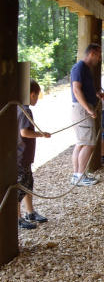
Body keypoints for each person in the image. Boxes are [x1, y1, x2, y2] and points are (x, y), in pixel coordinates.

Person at [17, 79, 51, 230]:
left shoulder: (19, 107)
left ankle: (30, 212)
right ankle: (17, 218)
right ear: (32, 94)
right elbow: (24, 132)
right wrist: (41, 134)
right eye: (37, 96)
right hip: (20, 156)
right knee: (19, 187)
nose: (37, 99)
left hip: (25, 157)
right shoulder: (25, 110)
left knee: (28, 184)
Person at [70, 43, 103, 186]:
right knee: (88, 144)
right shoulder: (80, 67)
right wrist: (88, 109)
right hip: (82, 109)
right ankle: (80, 176)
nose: (99, 58)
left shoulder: (85, 69)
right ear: (92, 53)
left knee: (81, 143)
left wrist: (96, 94)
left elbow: (84, 90)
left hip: (82, 108)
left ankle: (77, 175)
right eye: (99, 54)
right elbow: (76, 90)